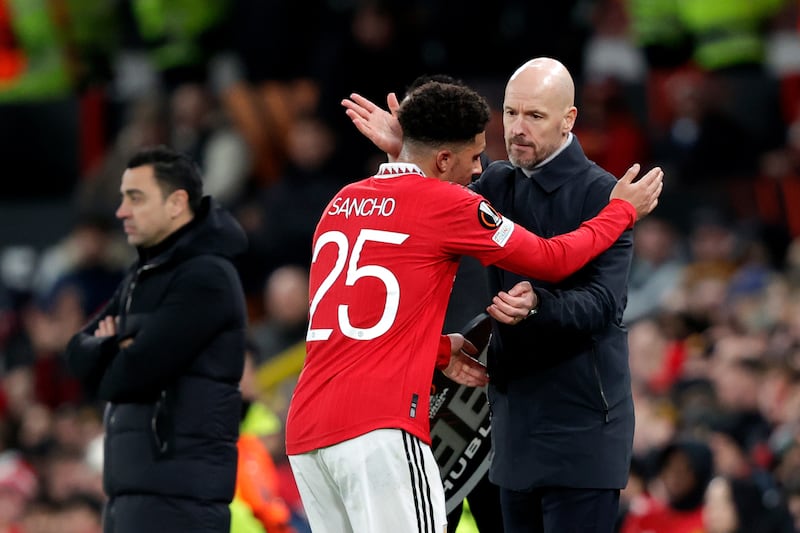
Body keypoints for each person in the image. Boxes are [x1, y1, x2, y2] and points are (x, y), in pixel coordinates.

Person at [287, 80, 662, 533]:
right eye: (475, 155)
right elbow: (553, 258)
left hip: (307, 432)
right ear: (445, 159)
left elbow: (357, 318)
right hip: (378, 429)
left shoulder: (341, 201)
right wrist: (620, 211)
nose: (481, 169)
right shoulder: (449, 203)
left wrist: (440, 350)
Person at [65, 146, 249, 533]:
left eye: (135, 198)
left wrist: (116, 351)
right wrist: (117, 347)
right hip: (134, 495)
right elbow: (76, 356)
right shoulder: (140, 275)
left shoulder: (207, 277)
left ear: (176, 203)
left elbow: (132, 376)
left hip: (180, 501)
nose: (121, 212)